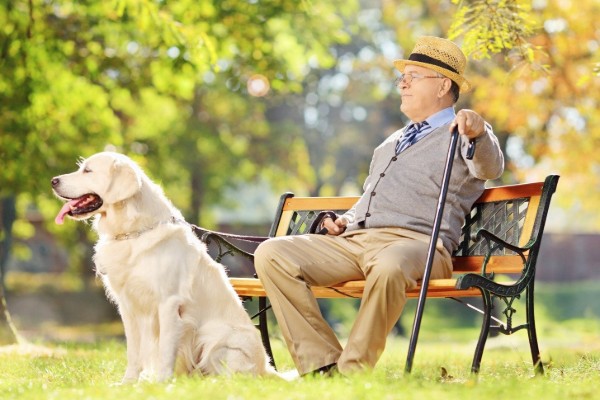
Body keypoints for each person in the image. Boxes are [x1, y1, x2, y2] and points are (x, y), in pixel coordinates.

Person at [254, 36, 504, 376]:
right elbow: (369, 198)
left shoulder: (462, 130)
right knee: (272, 253)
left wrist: (478, 133)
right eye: (403, 76)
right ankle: (321, 365)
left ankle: (351, 372)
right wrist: (344, 221)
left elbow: (489, 168)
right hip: (357, 242)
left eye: (414, 76)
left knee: (389, 264)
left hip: (419, 246)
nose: (402, 82)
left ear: (444, 84)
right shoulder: (391, 141)